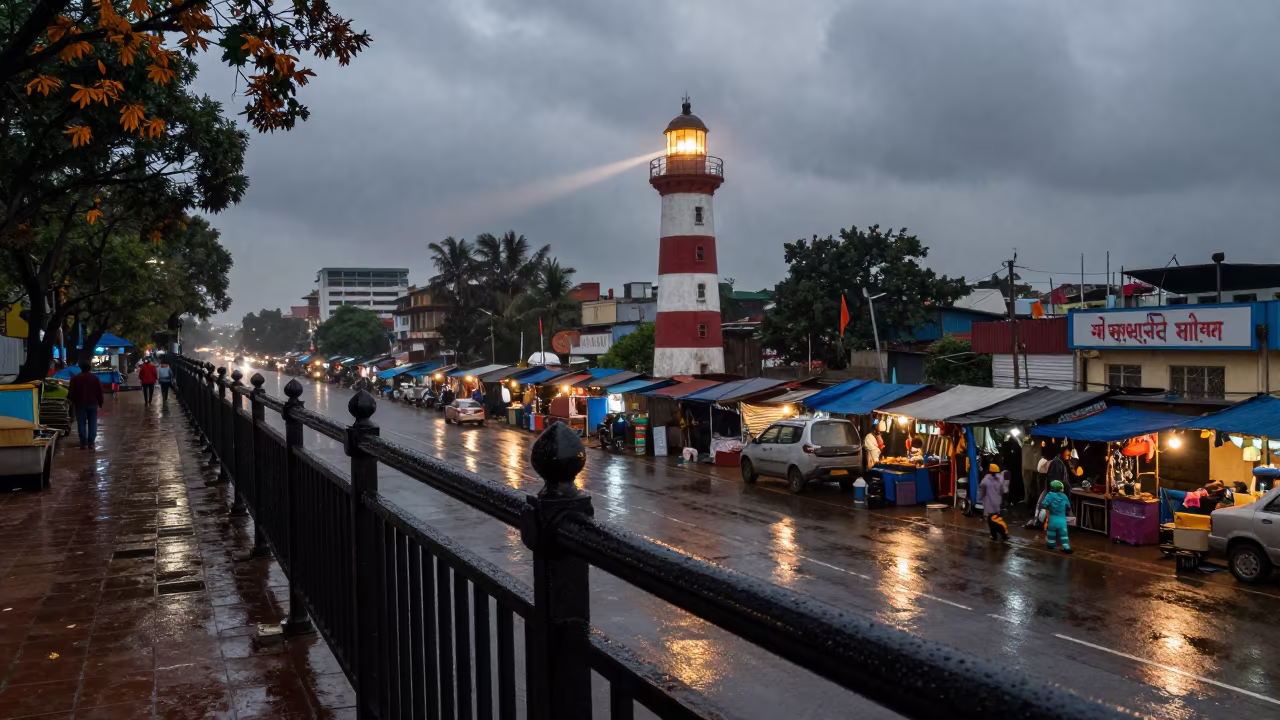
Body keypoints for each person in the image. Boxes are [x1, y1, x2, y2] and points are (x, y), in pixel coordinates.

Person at [69, 360, 105, 450]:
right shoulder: (95, 378)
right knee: (93, 423)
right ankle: (91, 442)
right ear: (90, 368)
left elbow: (71, 392)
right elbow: (99, 391)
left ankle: (83, 443)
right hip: (92, 403)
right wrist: (100, 402)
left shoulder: (75, 379)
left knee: (81, 423)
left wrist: (72, 401)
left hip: (79, 404)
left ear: (80, 368)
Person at [979, 464, 1009, 541]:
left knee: (991, 521)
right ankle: (999, 534)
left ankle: (998, 535)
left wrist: (980, 498)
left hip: (989, 504)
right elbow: (1002, 490)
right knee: (997, 519)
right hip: (997, 504)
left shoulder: (986, 479)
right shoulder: (1000, 478)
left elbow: (982, 490)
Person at [1042, 479, 1073, 553]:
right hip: (1062, 520)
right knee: (1064, 534)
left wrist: (1049, 507)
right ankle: (1066, 546)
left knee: (1051, 532)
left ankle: (1051, 544)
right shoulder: (1064, 496)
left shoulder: (1049, 495)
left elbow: (1044, 504)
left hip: (1052, 519)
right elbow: (1068, 507)